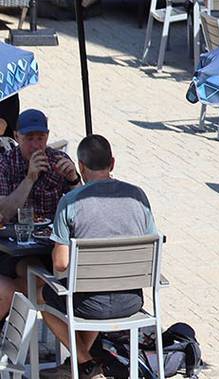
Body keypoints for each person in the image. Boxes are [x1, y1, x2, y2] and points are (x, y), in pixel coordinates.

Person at [40, 135, 156, 379]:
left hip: (90, 305)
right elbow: (151, 251)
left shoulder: (70, 202)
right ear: (112, 163)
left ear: (81, 167)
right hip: (132, 301)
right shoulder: (138, 197)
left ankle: (85, 361)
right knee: (85, 291)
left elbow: (60, 264)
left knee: (44, 296)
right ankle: (84, 363)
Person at [0, 109, 81, 320]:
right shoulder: (5, 163)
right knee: (33, 276)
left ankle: (11, 316)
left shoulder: (58, 160)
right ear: (17, 136)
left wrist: (73, 180)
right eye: (30, 138)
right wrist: (29, 180)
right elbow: (4, 213)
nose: (36, 145)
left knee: (31, 279)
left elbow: (82, 208)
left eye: (41, 138)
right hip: (12, 249)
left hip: (48, 248)